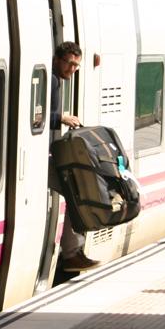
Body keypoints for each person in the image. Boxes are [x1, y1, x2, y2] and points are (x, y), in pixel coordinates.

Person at [50, 41, 100, 273]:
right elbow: (32, 114)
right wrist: (61, 117)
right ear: (57, 60)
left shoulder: (57, 80)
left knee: (77, 192)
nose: (72, 69)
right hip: (41, 157)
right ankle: (71, 254)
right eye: (69, 64)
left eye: (76, 66)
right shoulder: (50, 81)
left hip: (48, 153)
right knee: (77, 193)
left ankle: (74, 252)